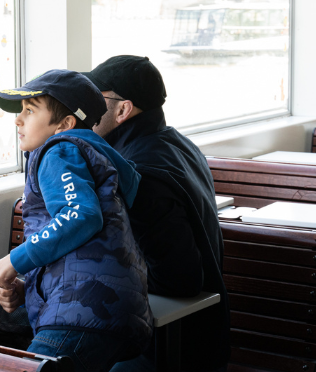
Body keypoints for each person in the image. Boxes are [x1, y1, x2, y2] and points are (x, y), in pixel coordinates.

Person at [0, 69, 153, 372]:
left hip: (83, 313)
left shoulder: (59, 149)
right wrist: (32, 290)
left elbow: (81, 216)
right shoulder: (91, 155)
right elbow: (82, 249)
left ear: (65, 124)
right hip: (109, 310)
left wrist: (15, 260)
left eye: (30, 110)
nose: (17, 119)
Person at [83, 55, 229, 372]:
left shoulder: (139, 174)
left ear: (122, 110)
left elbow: (180, 281)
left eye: (95, 98)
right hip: (200, 332)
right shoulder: (178, 143)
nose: (85, 108)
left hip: (167, 345)